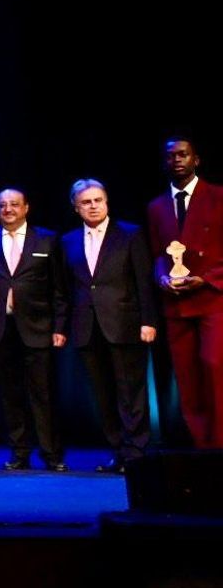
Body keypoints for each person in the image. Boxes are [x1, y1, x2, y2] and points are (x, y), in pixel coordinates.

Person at [58, 179, 158, 473]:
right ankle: (118, 452)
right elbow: (65, 289)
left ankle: (136, 454)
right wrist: (62, 327)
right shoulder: (68, 241)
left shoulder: (129, 234)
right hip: (87, 328)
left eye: (98, 200)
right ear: (76, 207)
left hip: (125, 324)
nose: (93, 206)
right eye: (86, 202)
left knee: (131, 393)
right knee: (103, 395)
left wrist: (148, 321)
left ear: (106, 202)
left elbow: (144, 282)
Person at [0, 188, 68, 470]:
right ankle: (19, 453)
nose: (8, 209)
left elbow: (59, 289)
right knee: (9, 394)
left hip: (38, 327)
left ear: (26, 207)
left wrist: (60, 326)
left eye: (14, 204)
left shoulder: (48, 239)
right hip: (0, 329)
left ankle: (52, 455)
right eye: (2, 205)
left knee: (43, 394)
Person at [146, 136, 223, 449]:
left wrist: (206, 279)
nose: (177, 160)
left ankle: (219, 446)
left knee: (214, 368)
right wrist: (162, 277)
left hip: (212, 299)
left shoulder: (218, 197)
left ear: (196, 159)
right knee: (187, 377)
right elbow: (156, 255)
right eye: (171, 156)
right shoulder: (157, 206)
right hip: (176, 305)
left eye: (183, 154)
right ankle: (202, 447)